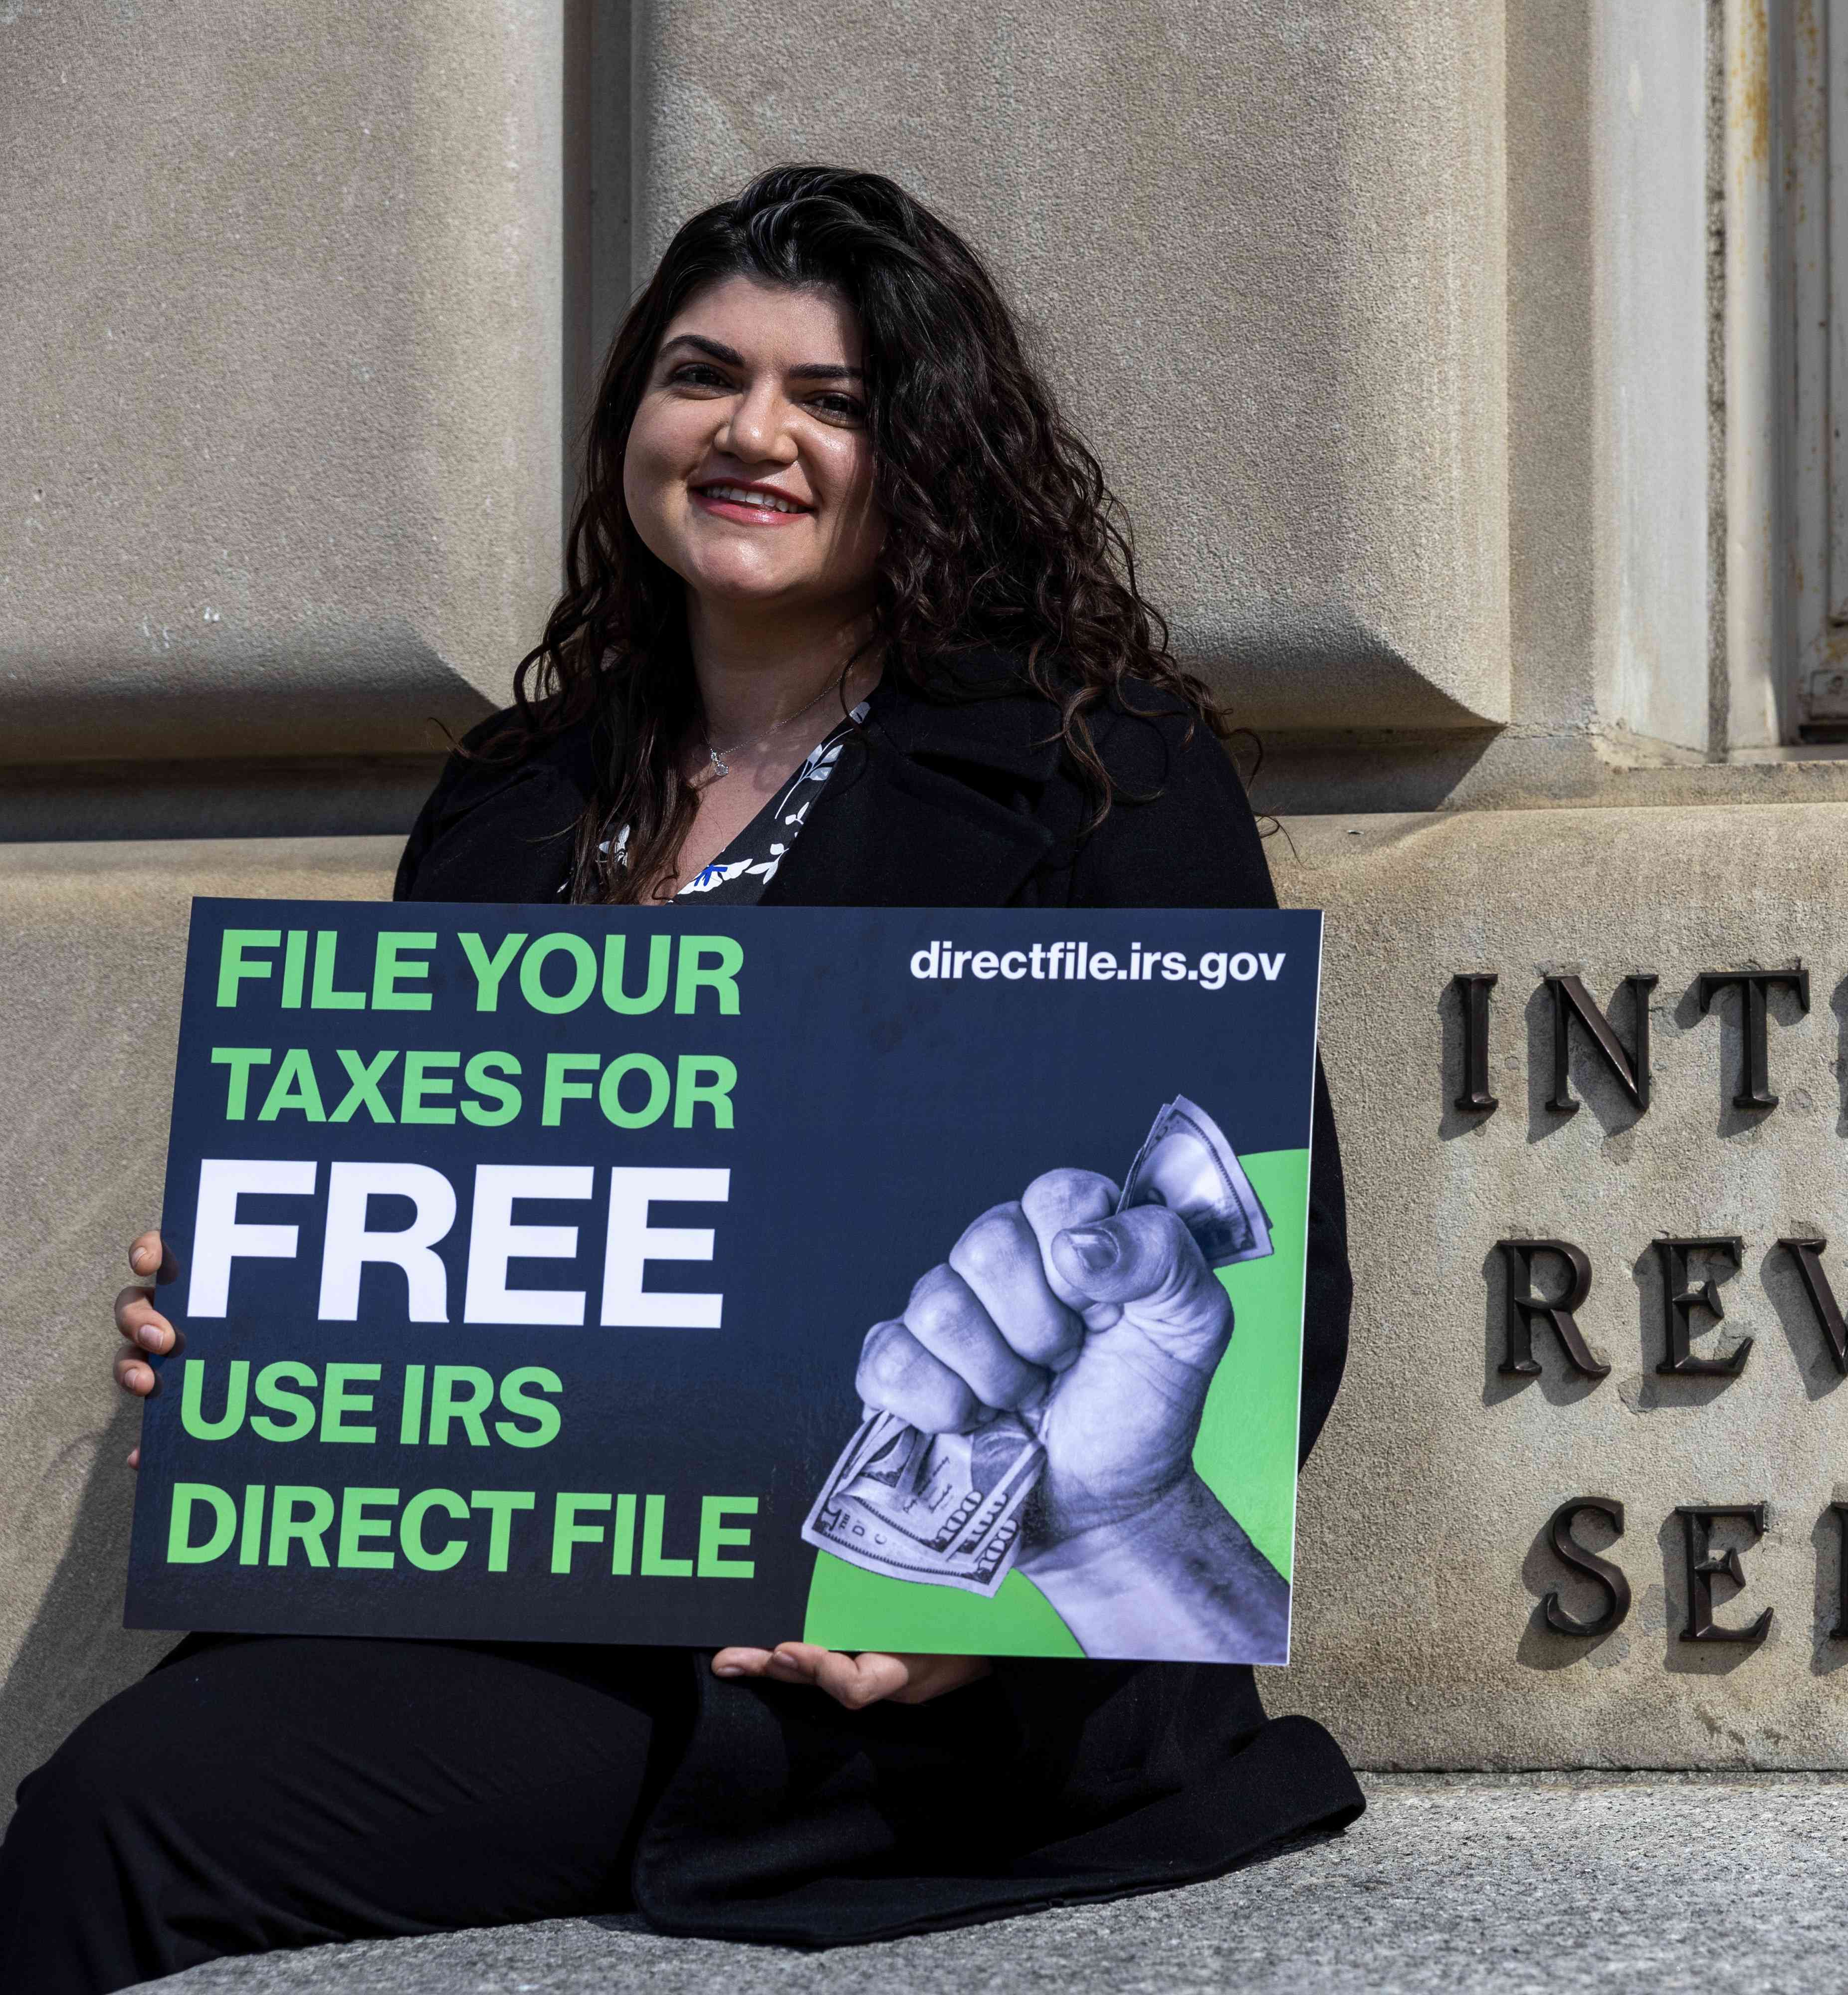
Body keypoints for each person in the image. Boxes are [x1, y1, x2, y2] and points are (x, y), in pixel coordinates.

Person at [0, 166, 1359, 1994]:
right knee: (108, 1806)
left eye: (834, 401)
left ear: (932, 455)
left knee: (131, 1814)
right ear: (634, 416)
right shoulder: (514, 792)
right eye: (703, 376)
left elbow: (1286, 1287)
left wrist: (973, 1634)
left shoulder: (1093, 771)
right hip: (510, 1590)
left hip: (871, 1680)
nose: (754, 434)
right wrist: (271, 1317)